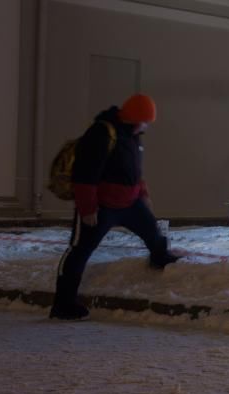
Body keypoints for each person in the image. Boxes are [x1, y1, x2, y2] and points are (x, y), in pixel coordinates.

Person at [51, 94, 180, 320]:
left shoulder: (133, 134)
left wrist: (143, 194)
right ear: (134, 117)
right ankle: (63, 304)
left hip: (130, 204)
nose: (147, 125)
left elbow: (134, 170)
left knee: (154, 233)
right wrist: (88, 208)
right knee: (79, 251)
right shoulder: (102, 133)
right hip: (101, 207)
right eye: (145, 120)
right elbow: (85, 174)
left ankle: (160, 257)